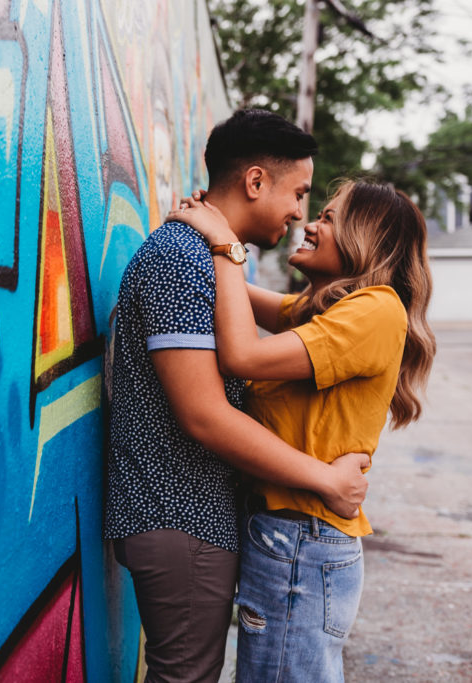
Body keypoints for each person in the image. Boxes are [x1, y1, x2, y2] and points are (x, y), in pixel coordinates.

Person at [103, 108, 370, 683]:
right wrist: (324, 479)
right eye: (298, 193)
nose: (300, 212)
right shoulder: (180, 259)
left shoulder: (204, 258)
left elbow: (290, 316)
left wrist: (228, 249)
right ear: (255, 181)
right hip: (179, 512)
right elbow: (204, 415)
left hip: (187, 514)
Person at [169, 179, 436, 682]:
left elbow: (242, 354)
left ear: (366, 238)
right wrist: (205, 237)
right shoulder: (330, 307)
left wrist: (226, 244)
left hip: (300, 544)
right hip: (290, 539)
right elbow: (237, 299)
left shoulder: (375, 309)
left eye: (329, 218)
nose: (309, 223)